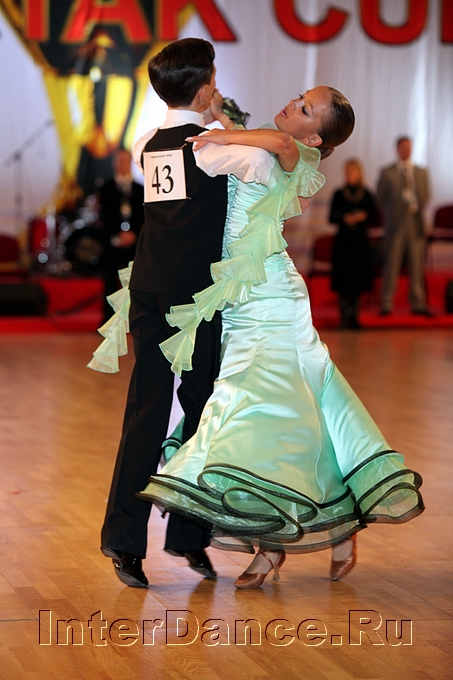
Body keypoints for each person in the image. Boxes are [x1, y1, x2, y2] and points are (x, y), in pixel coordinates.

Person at [135, 88, 424, 588]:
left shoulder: (296, 154)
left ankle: (272, 546)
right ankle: (333, 523)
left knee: (262, 416)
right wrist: (220, 115)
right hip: (238, 297)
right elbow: (258, 135)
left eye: (305, 110)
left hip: (271, 298)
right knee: (291, 418)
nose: (294, 105)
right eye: (299, 97)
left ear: (314, 138)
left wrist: (221, 134)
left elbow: (281, 144)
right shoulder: (262, 143)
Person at [90, 38, 239, 588]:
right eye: (214, 79)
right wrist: (224, 119)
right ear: (204, 90)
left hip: (149, 289)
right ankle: (188, 536)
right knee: (200, 413)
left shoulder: (145, 142)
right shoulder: (218, 147)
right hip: (195, 300)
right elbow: (269, 157)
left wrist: (212, 116)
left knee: (146, 410)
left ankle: (123, 540)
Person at [377, 136, 431, 316]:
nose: (406, 151)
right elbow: (381, 197)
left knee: (416, 264)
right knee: (392, 263)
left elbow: (426, 195)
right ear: (397, 149)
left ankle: (418, 302)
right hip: (396, 223)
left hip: (415, 221)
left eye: (409, 148)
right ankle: (387, 302)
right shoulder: (388, 172)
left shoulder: (420, 172)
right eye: (403, 148)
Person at [329, 158, 378, 328]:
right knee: (344, 279)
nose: (349, 175)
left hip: (360, 243)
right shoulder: (339, 194)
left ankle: (355, 317)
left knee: (357, 278)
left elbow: (375, 216)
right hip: (343, 243)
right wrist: (345, 218)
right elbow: (331, 217)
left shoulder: (367, 194)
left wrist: (362, 216)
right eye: (347, 172)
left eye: (352, 171)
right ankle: (343, 317)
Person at [98, 149, 144, 323]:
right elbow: (105, 215)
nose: (123, 164)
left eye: (126, 160)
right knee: (110, 282)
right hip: (112, 242)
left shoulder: (139, 189)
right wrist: (117, 233)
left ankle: (134, 320)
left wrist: (133, 234)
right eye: (120, 160)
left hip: (134, 243)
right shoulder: (106, 188)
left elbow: (142, 216)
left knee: (135, 282)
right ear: (114, 163)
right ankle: (109, 320)